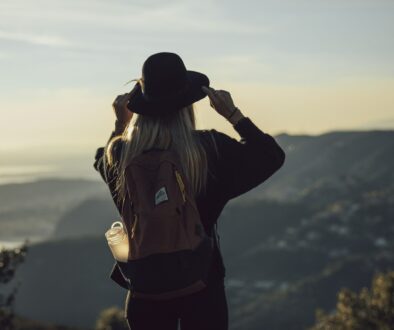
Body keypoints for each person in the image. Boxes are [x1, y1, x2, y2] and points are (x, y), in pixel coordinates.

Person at [93, 52, 286, 330]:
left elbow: (102, 160)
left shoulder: (121, 155)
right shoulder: (210, 150)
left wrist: (119, 125)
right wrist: (233, 114)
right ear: (187, 105)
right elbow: (271, 156)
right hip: (203, 285)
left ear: (141, 107)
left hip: (144, 288)